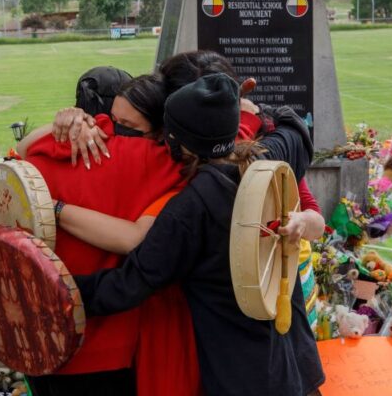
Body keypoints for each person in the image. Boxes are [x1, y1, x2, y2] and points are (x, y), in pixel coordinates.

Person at [72, 74, 325, 396]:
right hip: (297, 361)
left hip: (246, 375)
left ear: (177, 142)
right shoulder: (265, 159)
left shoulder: (192, 208)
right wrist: (256, 109)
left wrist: (54, 288)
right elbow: (295, 130)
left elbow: (129, 284)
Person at [24, 75, 185, 395]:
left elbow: (20, 153)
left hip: (37, 329)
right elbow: (133, 239)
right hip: (107, 343)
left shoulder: (59, 143)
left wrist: (76, 120)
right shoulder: (169, 165)